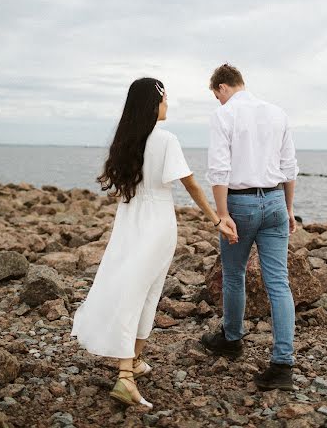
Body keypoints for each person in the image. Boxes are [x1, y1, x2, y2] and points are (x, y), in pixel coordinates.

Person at [71, 77, 238, 409]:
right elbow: (190, 185)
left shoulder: (126, 141)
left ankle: (131, 362)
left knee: (128, 285)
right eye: (164, 99)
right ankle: (125, 376)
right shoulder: (166, 140)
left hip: (129, 220)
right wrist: (216, 219)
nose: (168, 105)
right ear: (153, 103)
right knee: (143, 293)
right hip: (157, 224)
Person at [201, 64, 299, 391]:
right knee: (278, 282)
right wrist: (288, 209)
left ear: (223, 87)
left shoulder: (225, 115)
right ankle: (283, 364)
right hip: (274, 201)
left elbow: (218, 170)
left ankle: (232, 340)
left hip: (240, 203)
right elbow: (289, 168)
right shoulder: (277, 113)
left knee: (234, 274)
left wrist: (221, 214)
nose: (219, 102)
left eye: (217, 96)